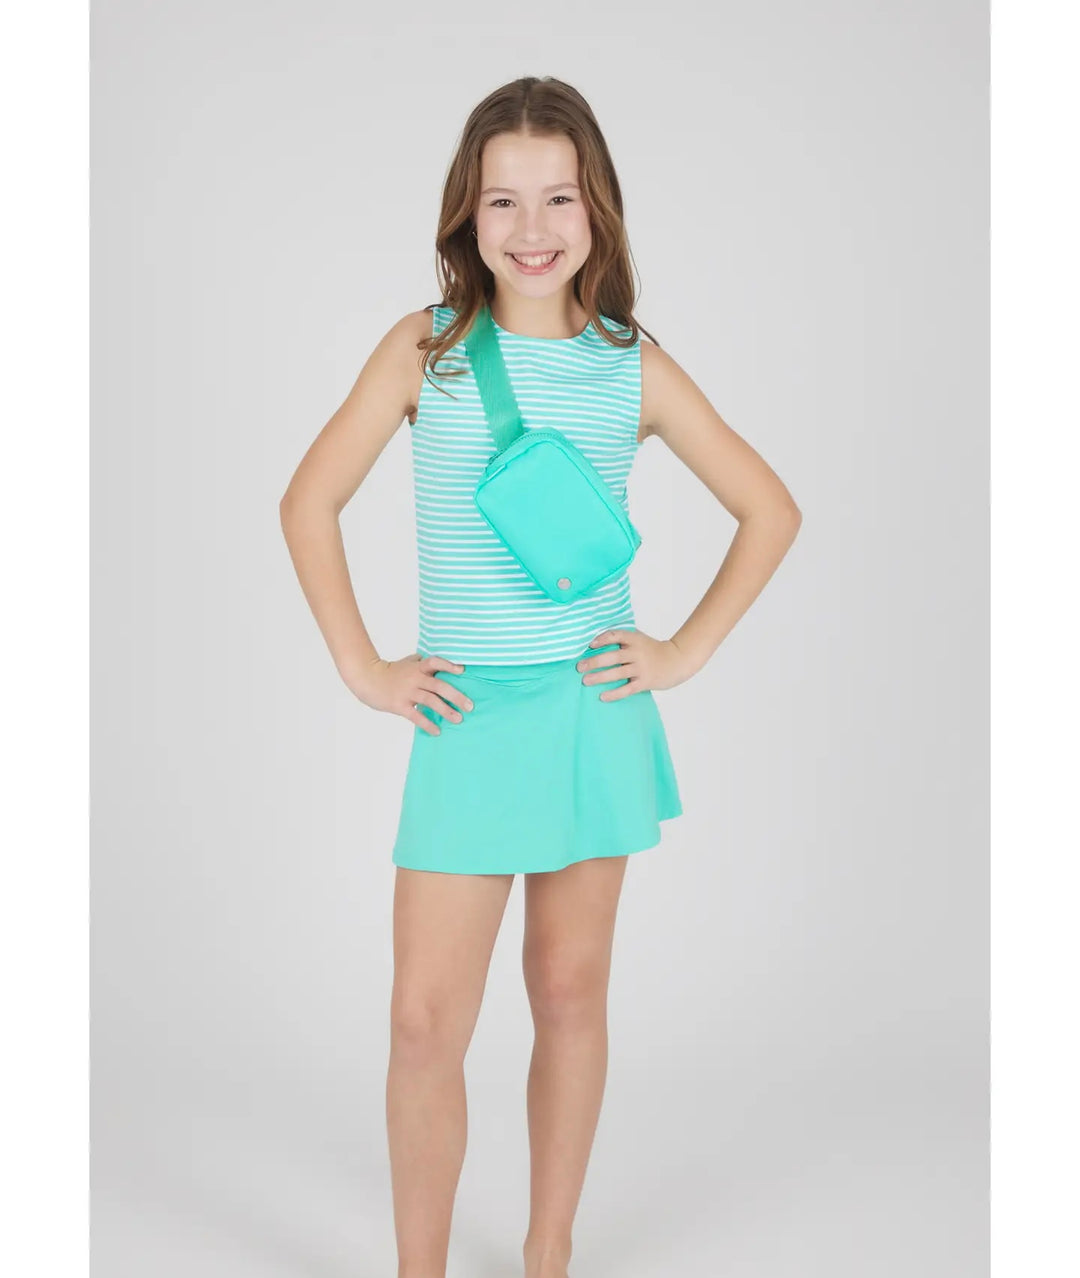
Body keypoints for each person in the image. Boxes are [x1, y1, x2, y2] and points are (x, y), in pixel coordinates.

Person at [280, 75, 801, 1278]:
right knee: (424, 1023)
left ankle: (547, 1255)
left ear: (595, 207)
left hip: (586, 708)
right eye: (503, 200)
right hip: (467, 717)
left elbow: (769, 509)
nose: (531, 228)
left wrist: (681, 649)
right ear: (466, 213)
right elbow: (309, 500)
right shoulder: (426, 349)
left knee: (568, 992)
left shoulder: (632, 364)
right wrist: (365, 667)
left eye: (557, 197)